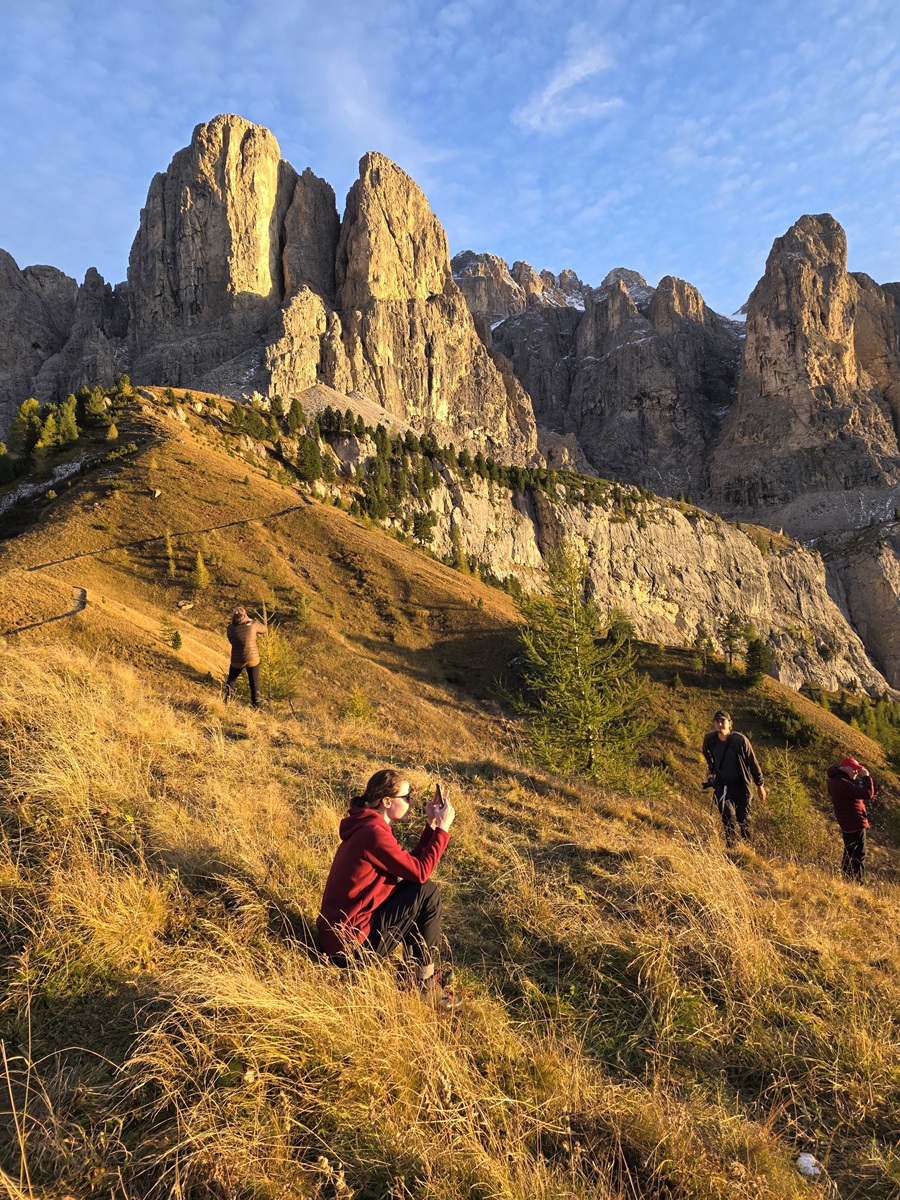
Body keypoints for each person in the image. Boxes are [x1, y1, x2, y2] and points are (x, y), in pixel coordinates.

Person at [317, 769, 459, 1010]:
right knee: (426, 891)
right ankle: (423, 984)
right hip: (350, 950)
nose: (411, 802)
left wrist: (432, 826)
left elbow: (410, 868)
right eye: (407, 797)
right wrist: (443, 830)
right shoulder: (373, 835)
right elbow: (420, 872)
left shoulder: (370, 828)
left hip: (343, 938)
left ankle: (418, 974)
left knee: (419, 890)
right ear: (387, 801)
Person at [702, 709, 767, 847]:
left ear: (730, 723)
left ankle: (748, 850)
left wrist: (760, 785)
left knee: (744, 819)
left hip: (742, 785)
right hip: (723, 784)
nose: (720, 724)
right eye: (717, 721)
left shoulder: (740, 740)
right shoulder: (710, 739)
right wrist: (711, 767)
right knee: (728, 817)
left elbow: (753, 762)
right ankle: (731, 849)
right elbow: (706, 752)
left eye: (723, 721)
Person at [827, 756, 873, 882]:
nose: (856, 772)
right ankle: (857, 883)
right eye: (854, 769)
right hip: (854, 823)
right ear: (846, 769)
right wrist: (866, 776)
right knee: (858, 855)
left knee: (849, 853)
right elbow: (867, 793)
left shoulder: (835, 781)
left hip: (847, 824)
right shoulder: (843, 783)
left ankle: (847, 880)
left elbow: (857, 793)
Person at [224, 606, 267, 708]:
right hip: (252, 659)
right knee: (254, 683)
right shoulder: (252, 624)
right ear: (245, 614)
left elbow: (231, 640)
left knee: (231, 680)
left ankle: (226, 701)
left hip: (237, 660)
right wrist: (252, 621)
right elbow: (264, 629)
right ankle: (256, 706)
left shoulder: (230, 628)